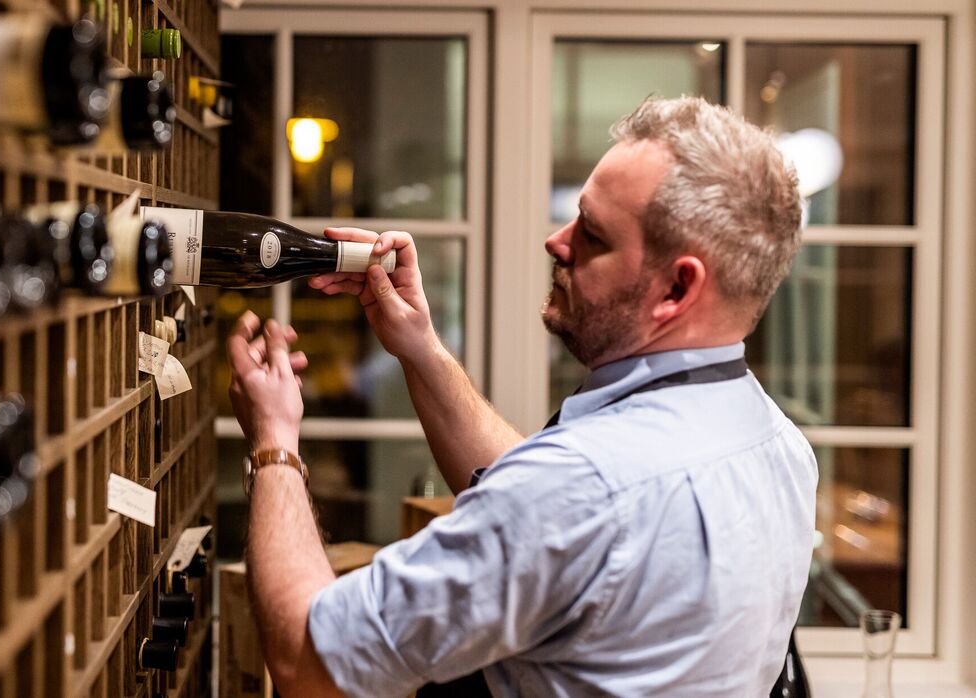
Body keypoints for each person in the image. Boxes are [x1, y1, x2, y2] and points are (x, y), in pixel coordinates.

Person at [225, 96, 818, 697]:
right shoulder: (779, 447)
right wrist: (420, 347)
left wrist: (275, 443)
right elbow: (545, 510)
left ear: (677, 287)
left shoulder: (582, 490)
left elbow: (306, 658)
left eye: (591, 233)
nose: (556, 241)